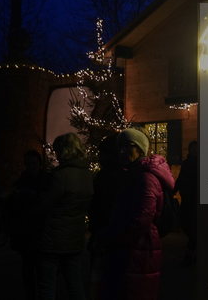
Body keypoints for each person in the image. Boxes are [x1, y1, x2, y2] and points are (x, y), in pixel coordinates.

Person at [96, 127, 175, 300]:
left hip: (137, 250)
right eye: (119, 147)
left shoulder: (145, 177)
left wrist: (108, 237)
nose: (121, 151)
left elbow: (140, 221)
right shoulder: (133, 173)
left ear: (140, 148)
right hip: (135, 248)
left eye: (127, 146)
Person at [35, 133, 94, 300]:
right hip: (75, 236)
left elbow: (45, 205)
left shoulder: (60, 175)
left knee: (47, 285)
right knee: (74, 281)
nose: (56, 154)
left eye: (57, 150)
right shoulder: (87, 174)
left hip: (53, 237)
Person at [4, 149, 51, 300]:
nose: (31, 166)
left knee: (42, 268)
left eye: (33, 163)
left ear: (39, 163)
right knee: (29, 267)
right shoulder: (21, 182)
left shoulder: (47, 180)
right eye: (28, 163)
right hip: (27, 230)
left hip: (42, 229)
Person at [87, 135, 123, 299]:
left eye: (101, 152)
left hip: (105, 234)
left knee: (101, 279)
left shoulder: (106, 176)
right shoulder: (122, 174)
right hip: (112, 234)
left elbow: (100, 206)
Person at [174, 140, 198, 267]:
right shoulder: (187, 163)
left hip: (196, 200)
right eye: (193, 148)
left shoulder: (201, 163)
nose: (195, 150)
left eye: (196, 148)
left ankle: (190, 255)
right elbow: (181, 178)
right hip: (187, 199)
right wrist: (174, 189)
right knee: (185, 223)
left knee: (193, 228)